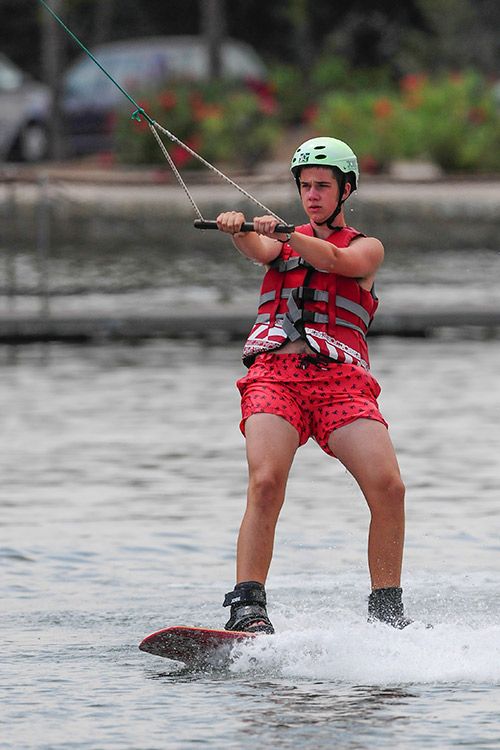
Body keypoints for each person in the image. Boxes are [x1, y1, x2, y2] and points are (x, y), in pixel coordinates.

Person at [216, 136, 410, 633]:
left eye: (323, 186)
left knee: (389, 487)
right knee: (265, 481)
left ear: (346, 190)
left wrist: (286, 234)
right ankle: (248, 607)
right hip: (275, 379)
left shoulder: (367, 248)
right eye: (305, 187)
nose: (313, 195)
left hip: (342, 385)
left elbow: (333, 261)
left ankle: (386, 614)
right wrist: (239, 230)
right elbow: (259, 248)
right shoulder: (278, 243)